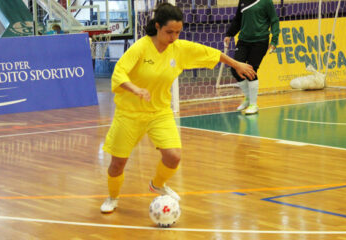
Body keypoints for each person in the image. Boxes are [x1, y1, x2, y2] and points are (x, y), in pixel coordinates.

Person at [100, 2, 256, 213]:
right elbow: (119, 73)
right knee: (117, 163)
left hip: (159, 112)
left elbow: (211, 54)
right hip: (130, 113)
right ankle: (113, 197)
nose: (173, 37)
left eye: (178, 32)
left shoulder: (179, 49)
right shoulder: (140, 47)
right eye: (169, 32)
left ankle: (157, 184)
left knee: (173, 156)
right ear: (157, 27)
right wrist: (135, 89)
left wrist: (237, 64)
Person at [224, 0, 280, 114]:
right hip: (243, 40)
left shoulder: (266, 2)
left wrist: (274, 40)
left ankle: (253, 104)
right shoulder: (243, 1)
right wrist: (229, 34)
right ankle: (248, 98)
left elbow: (274, 20)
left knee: (251, 70)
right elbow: (238, 19)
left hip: (260, 41)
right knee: (235, 68)